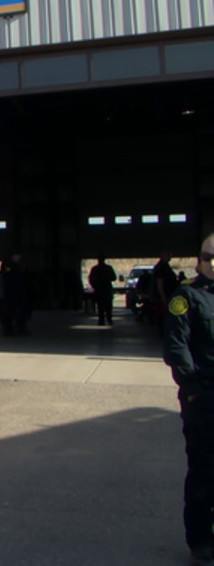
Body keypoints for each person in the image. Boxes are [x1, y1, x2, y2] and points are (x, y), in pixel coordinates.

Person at [163, 235, 214, 566]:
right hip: (206, 398)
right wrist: (193, 388)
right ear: (200, 260)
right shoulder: (186, 297)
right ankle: (202, 543)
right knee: (205, 473)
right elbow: (175, 346)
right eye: (209, 257)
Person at [88, 255, 117, 326]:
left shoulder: (95, 269)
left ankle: (101, 320)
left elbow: (90, 278)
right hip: (107, 288)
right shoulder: (108, 268)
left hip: (99, 289)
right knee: (108, 305)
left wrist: (94, 285)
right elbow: (114, 278)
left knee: (100, 305)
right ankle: (109, 319)